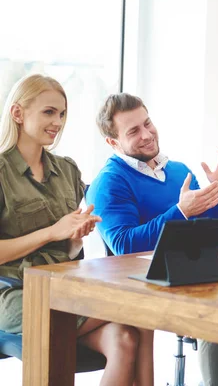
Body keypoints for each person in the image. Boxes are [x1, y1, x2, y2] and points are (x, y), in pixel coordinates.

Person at [0, 75, 154, 386]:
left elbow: (69, 251)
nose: (57, 121)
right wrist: (51, 232)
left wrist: (74, 237)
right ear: (18, 114)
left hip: (64, 287)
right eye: (48, 112)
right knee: (140, 309)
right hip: (14, 293)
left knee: (124, 338)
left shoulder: (67, 170)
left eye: (62, 113)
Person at [86, 93, 218, 385]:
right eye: (133, 131)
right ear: (113, 142)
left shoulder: (178, 170)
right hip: (143, 285)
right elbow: (124, 245)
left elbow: (213, 230)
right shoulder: (109, 181)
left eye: (148, 123)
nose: (147, 134)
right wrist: (181, 211)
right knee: (216, 314)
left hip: (191, 275)